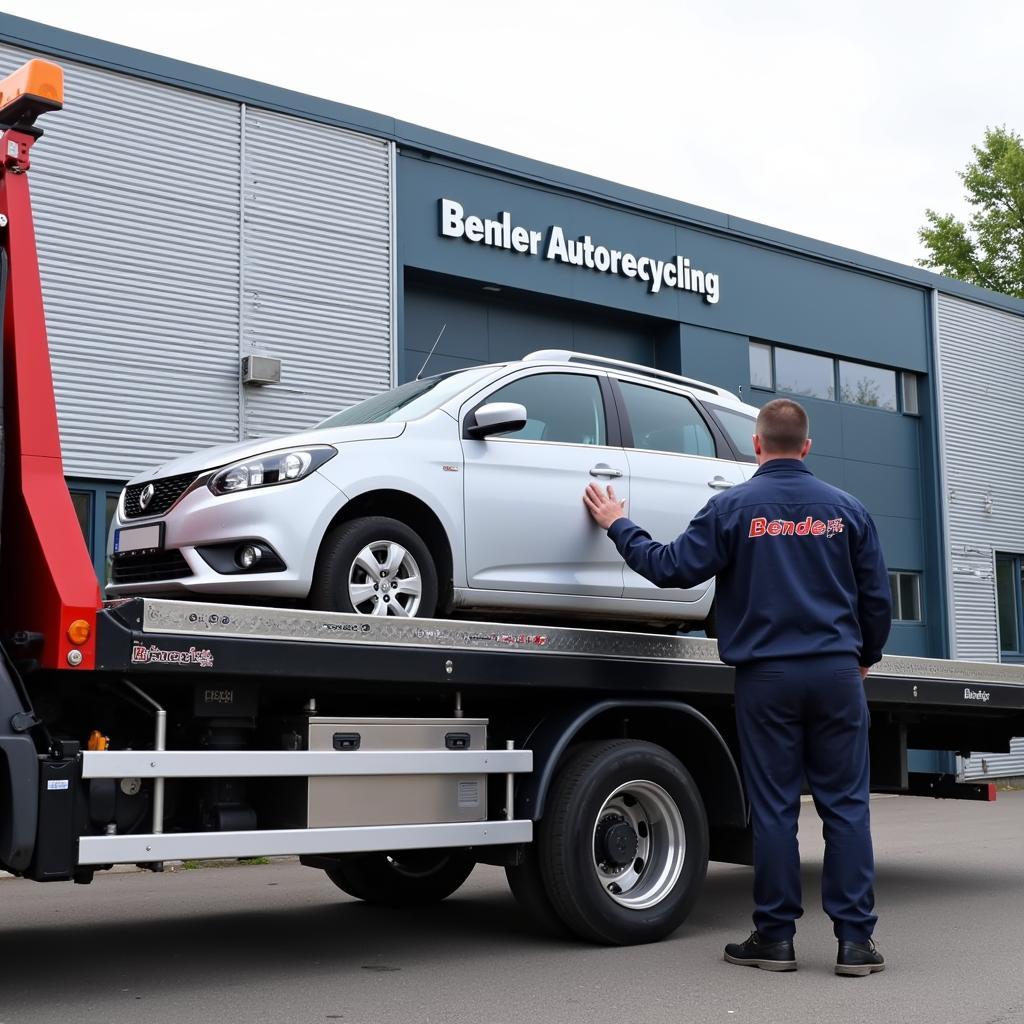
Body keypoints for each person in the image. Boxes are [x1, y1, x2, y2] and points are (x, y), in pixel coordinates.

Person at [583, 397, 891, 977]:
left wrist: (616, 523)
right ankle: (855, 944)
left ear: (756, 445)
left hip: (766, 678)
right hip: (835, 675)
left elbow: (671, 567)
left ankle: (775, 940)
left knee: (774, 810)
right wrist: (865, 656)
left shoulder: (732, 507)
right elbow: (876, 599)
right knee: (847, 809)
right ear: (806, 446)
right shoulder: (848, 510)